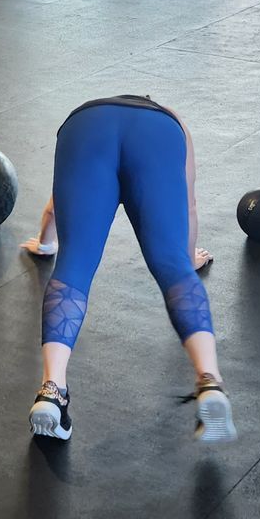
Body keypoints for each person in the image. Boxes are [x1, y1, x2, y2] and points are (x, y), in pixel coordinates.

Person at [27, 94, 233, 443]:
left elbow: (57, 203)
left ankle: (52, 389)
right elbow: (190, 204)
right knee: (174, 269)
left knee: (73, 265)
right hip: (156, 137)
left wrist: (45, 242)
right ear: (150, 101)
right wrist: (186, 259)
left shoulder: (90, 113)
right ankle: (210, 380)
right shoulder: (172, 121)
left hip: (83, 127)